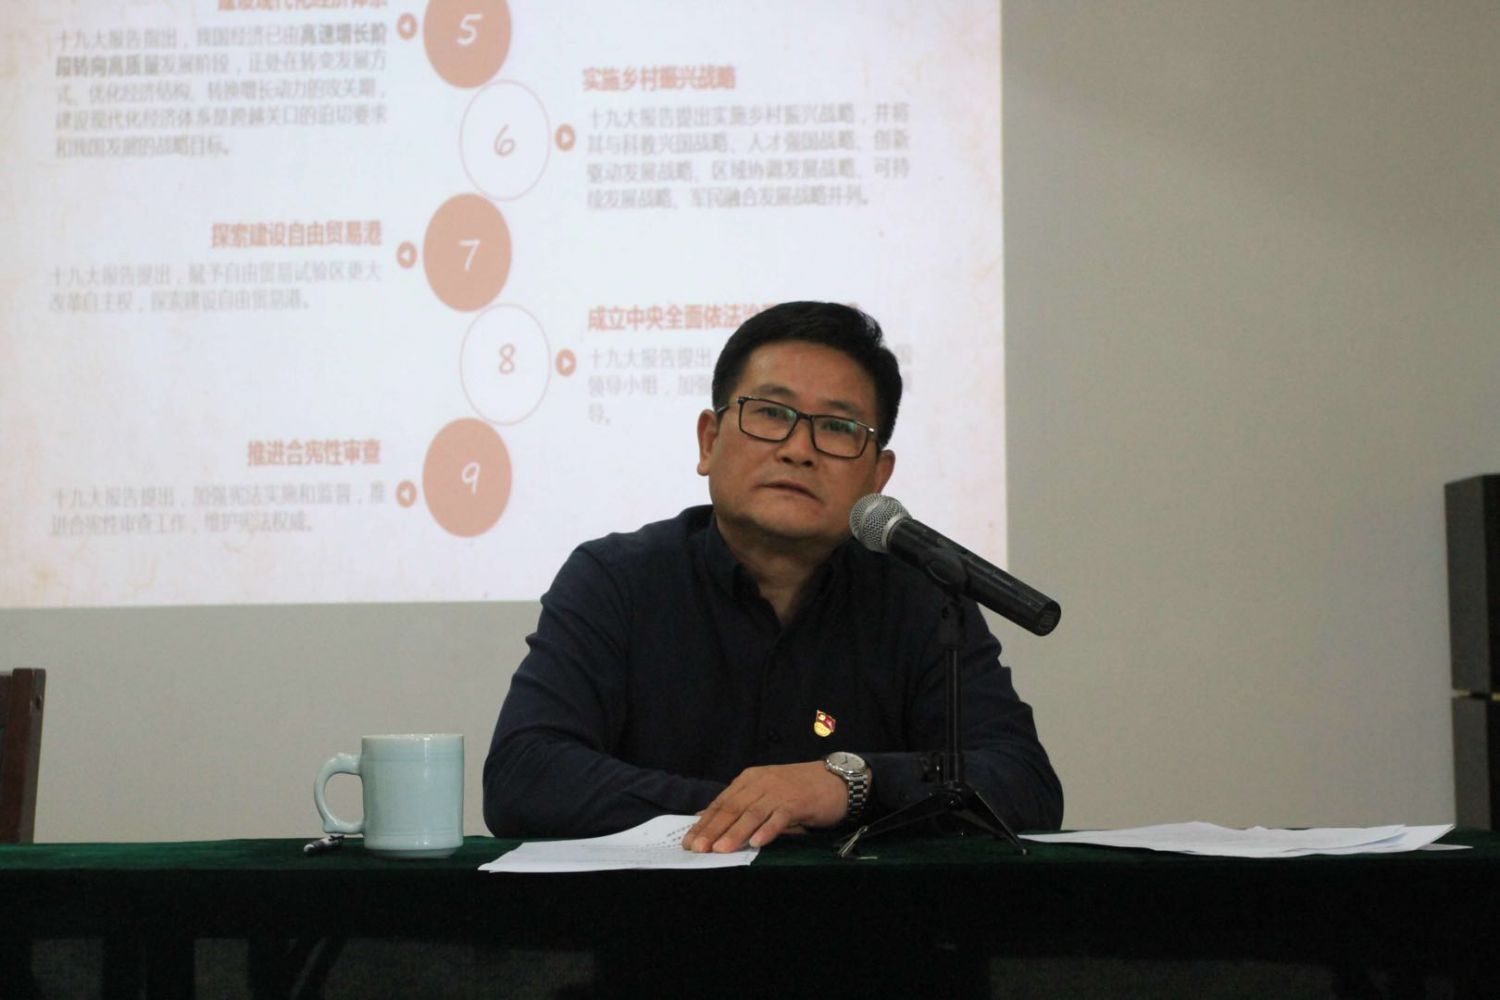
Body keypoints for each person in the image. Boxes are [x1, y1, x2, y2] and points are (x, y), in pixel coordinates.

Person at [483, 301, 1062, 853]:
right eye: (771, 414)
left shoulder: (921, 595)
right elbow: (524, 775)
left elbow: (1025, 782)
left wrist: (848, 784)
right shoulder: (617, 580)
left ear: (877, 477)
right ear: (709, 441)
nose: (799, 450)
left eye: (837, 427)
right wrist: (756, 809)